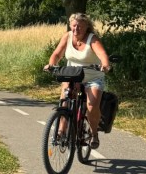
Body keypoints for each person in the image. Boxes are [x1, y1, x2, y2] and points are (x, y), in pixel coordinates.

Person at [45, 12, 111, 149]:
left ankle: (94, 133)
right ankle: (61, 132)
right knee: (64, 101)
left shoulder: (92, 39)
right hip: (72, 76)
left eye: (80, 26)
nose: (76, 29)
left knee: (92, 106)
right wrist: (51, 65)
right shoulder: (67, 36)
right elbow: (57, 54)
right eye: (74, 26)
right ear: (70, 25)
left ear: (87, 26)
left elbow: (102, 54)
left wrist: (105, 65)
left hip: (92, 77)